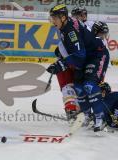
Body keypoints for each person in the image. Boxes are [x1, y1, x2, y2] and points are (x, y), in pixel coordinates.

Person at [47, 4, 110, 134]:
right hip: (86, 57)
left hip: (96, 55)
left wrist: (61, 65)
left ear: (63, 17)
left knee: (89, 86)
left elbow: (79, 56)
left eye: (54, 18)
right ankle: (87, 117)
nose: (52, 21)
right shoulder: (64, 26)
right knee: (79, 88)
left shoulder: (70, 31)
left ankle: (100, 118)